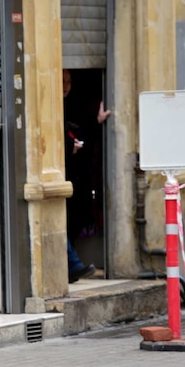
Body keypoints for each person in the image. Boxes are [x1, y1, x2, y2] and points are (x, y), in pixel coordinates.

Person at [63, 69, 110, 283]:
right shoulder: (51, 107)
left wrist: (97, 121)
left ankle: (71, 268)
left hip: (76, 180)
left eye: (69, 81)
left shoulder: (73, 106)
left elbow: (82, 130)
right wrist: (68, 146)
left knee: (73, 222)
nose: (65, 86)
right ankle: (72, 266)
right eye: (62, 81)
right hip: (61, 179)